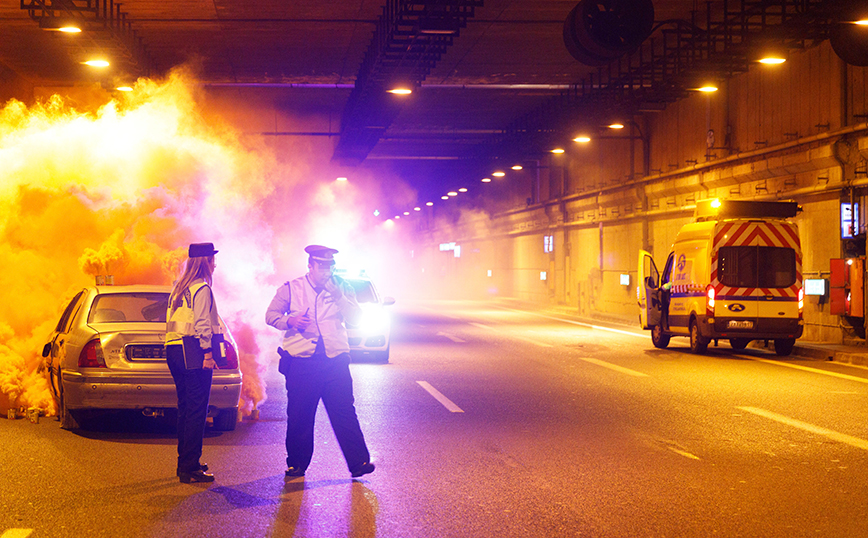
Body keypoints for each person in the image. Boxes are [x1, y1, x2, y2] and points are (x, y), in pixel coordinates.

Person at [266, 245, 375, 479]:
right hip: (302, 363)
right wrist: (291, 321)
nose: (327, 271)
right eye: (322, 266)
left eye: (330, 266)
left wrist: (340, 297)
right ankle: (296, 464)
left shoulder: (342, 288)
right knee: (300, 415)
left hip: (335, 361)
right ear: (311, 266)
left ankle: (359, 462)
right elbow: (271, 316)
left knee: (345, 411)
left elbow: (356, 319)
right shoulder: (291, 288)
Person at [166, 242, 222, 484]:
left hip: (174, 351)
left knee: (186, 409)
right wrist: (208, 355)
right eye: (213, 260)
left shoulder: (179, 287)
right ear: (205, 262)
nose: (215, 264)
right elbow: (201, 325)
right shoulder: (202, 289)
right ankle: (191, 468)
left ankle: (185, 463)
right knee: (197, 411)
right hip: (193, 353)